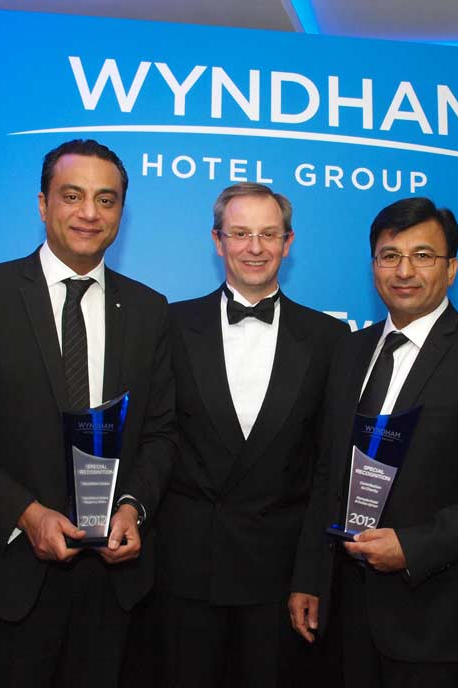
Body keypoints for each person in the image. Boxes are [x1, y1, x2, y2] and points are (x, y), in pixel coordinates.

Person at [0, 139, 176, 687]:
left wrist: (134, 507)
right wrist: (25, 513)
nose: (90, 213)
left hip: (114, 586)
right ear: (43, 204)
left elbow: (162, 431)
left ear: (121, 213)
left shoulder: (149, 309)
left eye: (106, 200)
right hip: (12, 579)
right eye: (72, 196)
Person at [290, 197, 458, 687]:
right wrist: (310, 577)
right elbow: (328, 471)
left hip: (436, 616)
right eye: (390, 255)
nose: (404, 271)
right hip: (345, 611)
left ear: (451, 268)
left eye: (423, 256)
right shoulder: (348, 351)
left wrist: (413, 547)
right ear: (373, 265)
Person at [154, 183, 346, 686]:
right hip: (186, 572)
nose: (254, 247)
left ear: (288, 242)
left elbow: (327, 470)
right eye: (240, 233)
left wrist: (311, 574)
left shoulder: (328, 338)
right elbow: (154, 440)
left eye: (268, 234)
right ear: (217, 241)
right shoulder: (170, 324)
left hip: (279, 579)